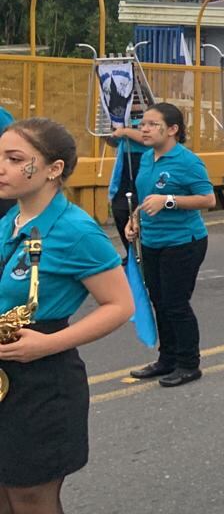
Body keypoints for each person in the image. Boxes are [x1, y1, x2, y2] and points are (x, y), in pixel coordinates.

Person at [0, 118, 133, 513]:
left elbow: (121, 306)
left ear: (53, 170)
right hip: (7, 370)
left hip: (42, 378)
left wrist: (48, 344)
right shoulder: (11, 219)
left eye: (15, 158)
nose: (1, 167)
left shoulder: (76, 230)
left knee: (30, 497)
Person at [124, 103, 216, 387]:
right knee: (159, 302)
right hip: (152, 241)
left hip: (183, 242)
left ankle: (189, 364)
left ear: (173, 129)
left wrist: (169, 201)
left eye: (152, 124)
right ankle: (167, 359)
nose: (145, 129)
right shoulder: (147, 158)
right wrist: (134, 219)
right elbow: (146, 198)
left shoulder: (187, 161)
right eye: (143, 125)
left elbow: (208, 199)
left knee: (176, 304)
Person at [104, 104, 151, 250]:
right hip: (124, 166)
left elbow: (147, 138)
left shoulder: (151, 117)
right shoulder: (119, 117)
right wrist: (110, 133)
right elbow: (113, 141)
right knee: (120, 210)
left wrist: (125, 131)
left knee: (142, 209)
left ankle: (144, 250)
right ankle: (130, 251)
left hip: (145, 162)